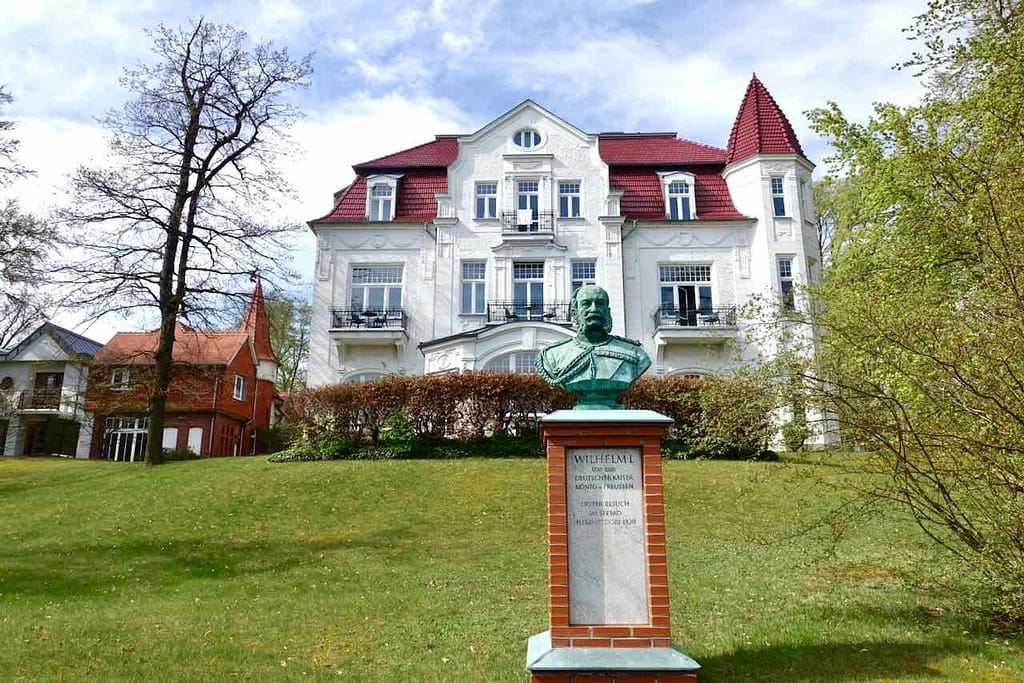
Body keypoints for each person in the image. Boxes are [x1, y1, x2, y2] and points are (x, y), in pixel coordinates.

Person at [537, 285, 651, 408]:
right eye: (586, 304)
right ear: (575, 312)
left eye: (600, 303)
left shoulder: (635, 353)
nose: (594, 309)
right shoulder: (553, 355)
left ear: (608, 311)